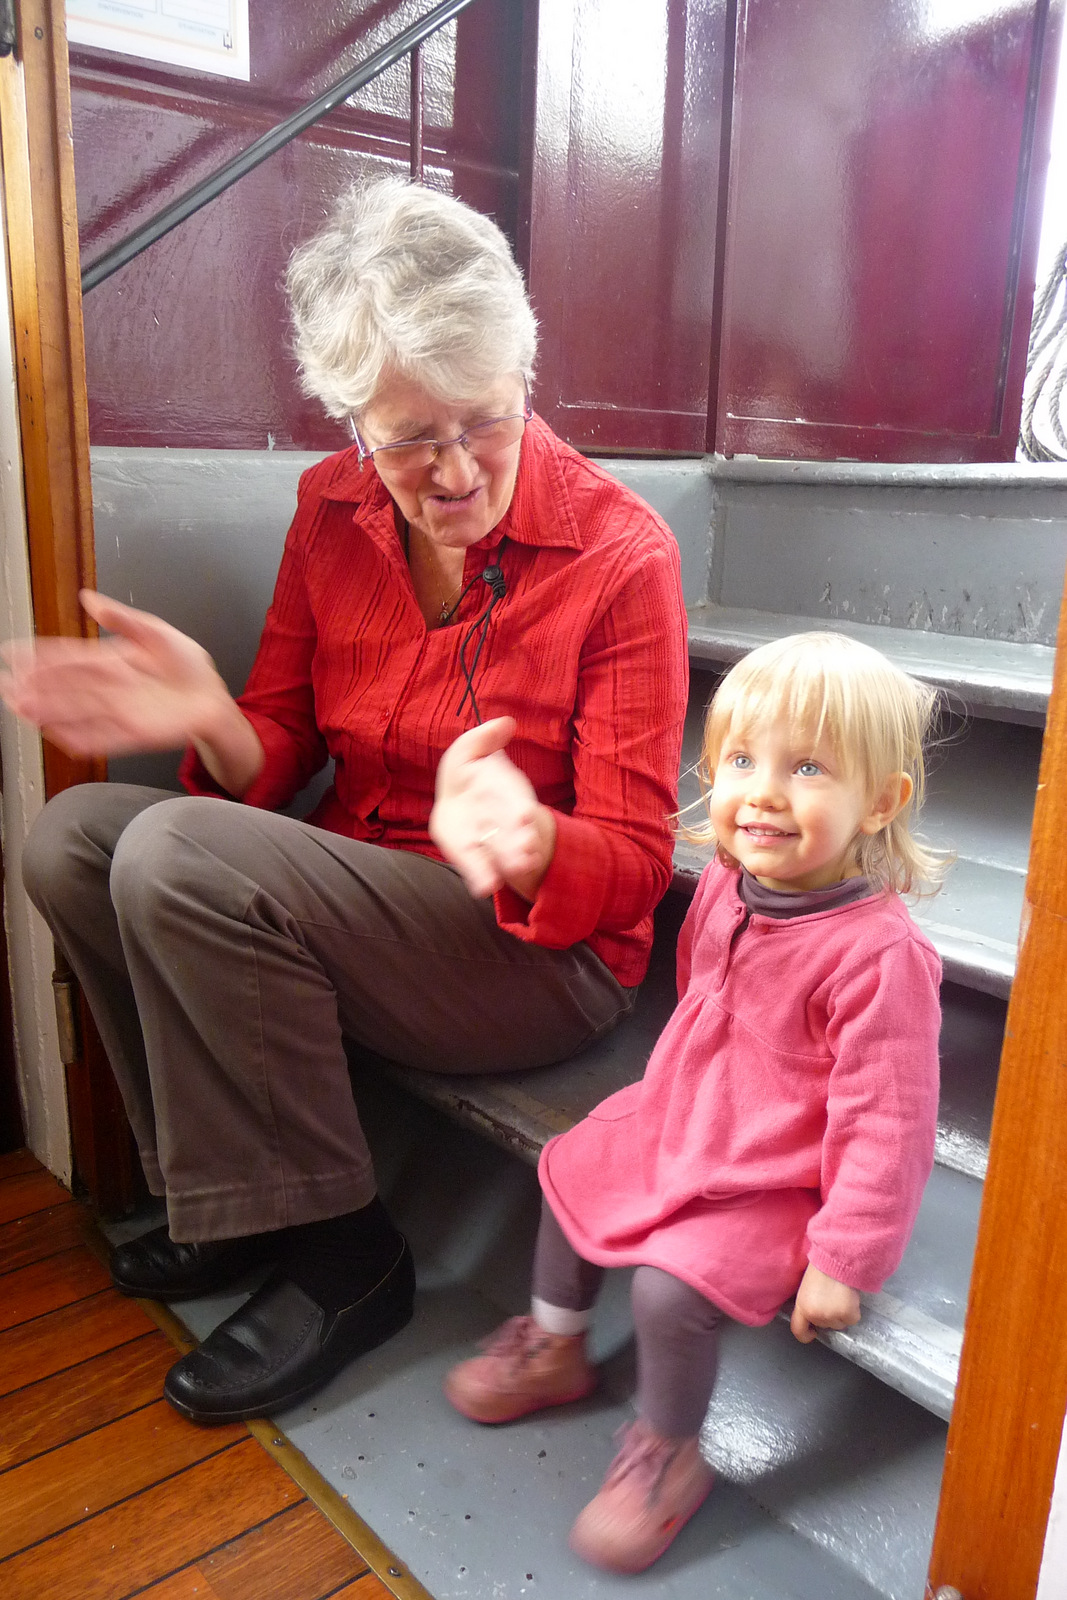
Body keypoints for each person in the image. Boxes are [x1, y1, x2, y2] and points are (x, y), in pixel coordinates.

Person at [1, 178, 688, 1424]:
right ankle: (227, 1202)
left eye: (483, 420)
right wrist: (211, 718)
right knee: (74, 841)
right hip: (362, 894)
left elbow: (638, 862)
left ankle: (344, 1254)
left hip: (533, 950)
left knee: (175, 851)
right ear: (352, 421)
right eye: (408, 438)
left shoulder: (621, 552)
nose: (454, 470)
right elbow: (280, 748)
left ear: (521, 374)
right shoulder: (329, 509)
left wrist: (531, 837)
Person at [444, 631, 945, 1574]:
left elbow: (890, 1122)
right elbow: (697, 994)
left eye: (806, 768)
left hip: (776, 1173)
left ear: (880, 802)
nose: (763, 793)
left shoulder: (880, 958)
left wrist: (843, 1257)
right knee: (571, 1170)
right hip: (689, 1117)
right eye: (742, 761)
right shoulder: (723, 881)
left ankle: (667, 1452)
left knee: (671, 1289)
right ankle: (555, 1344)